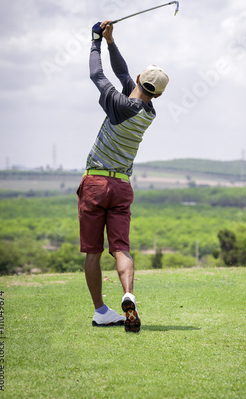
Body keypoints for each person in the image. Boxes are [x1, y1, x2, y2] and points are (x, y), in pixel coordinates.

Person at [77, 20, 169, 332]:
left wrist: (94, 41)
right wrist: (111, 41)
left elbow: (97, 75)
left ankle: (101, 310)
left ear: (141, 79)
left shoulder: (119, 105)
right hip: (122, 186)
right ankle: (128, 294)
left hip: (96, 184)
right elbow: (122, 74)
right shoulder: (148, 112)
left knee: (93, 251)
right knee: (121, 248)